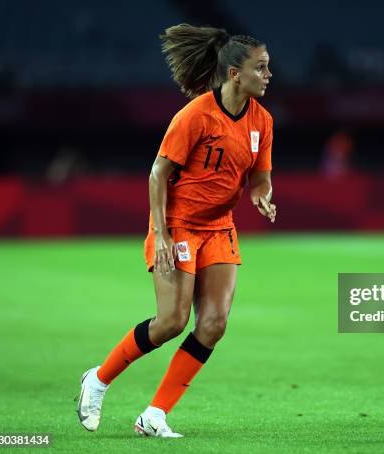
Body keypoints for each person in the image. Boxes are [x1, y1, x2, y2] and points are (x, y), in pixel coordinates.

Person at [77, 23, 275, 438]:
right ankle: (98, 379)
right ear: (235, 74)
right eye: (261, 67)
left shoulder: (262, 121)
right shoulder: (195, 116)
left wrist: (262, 195)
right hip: (178, 223)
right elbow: (157, 173)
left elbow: (259, 177)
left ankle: (154, 415)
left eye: (268, 67)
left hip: (219, 227)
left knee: (214, 324)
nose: (268, 75)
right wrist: (162, 234)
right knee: (171, 321)